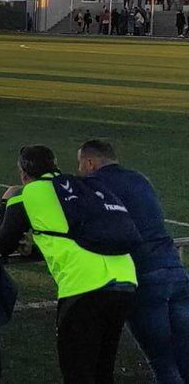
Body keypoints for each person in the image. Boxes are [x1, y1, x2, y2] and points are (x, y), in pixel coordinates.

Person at [0, 146, 137, 384]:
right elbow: (72, 231)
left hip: (84, 286)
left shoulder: (27, 193)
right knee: (103, 370)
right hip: (124, 279)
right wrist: (39, 246)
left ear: (23, 173)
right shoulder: (78, 186)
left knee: (78, 372)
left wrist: (4, 202)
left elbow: (3, 243)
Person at [77, 140, 189, 383]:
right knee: (184, 356)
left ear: (90, 162)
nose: (80, 170)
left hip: (144, 276)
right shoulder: (140, 179)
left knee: (163, 362)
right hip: (174, 269)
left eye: (80, 165)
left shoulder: (94, 185)